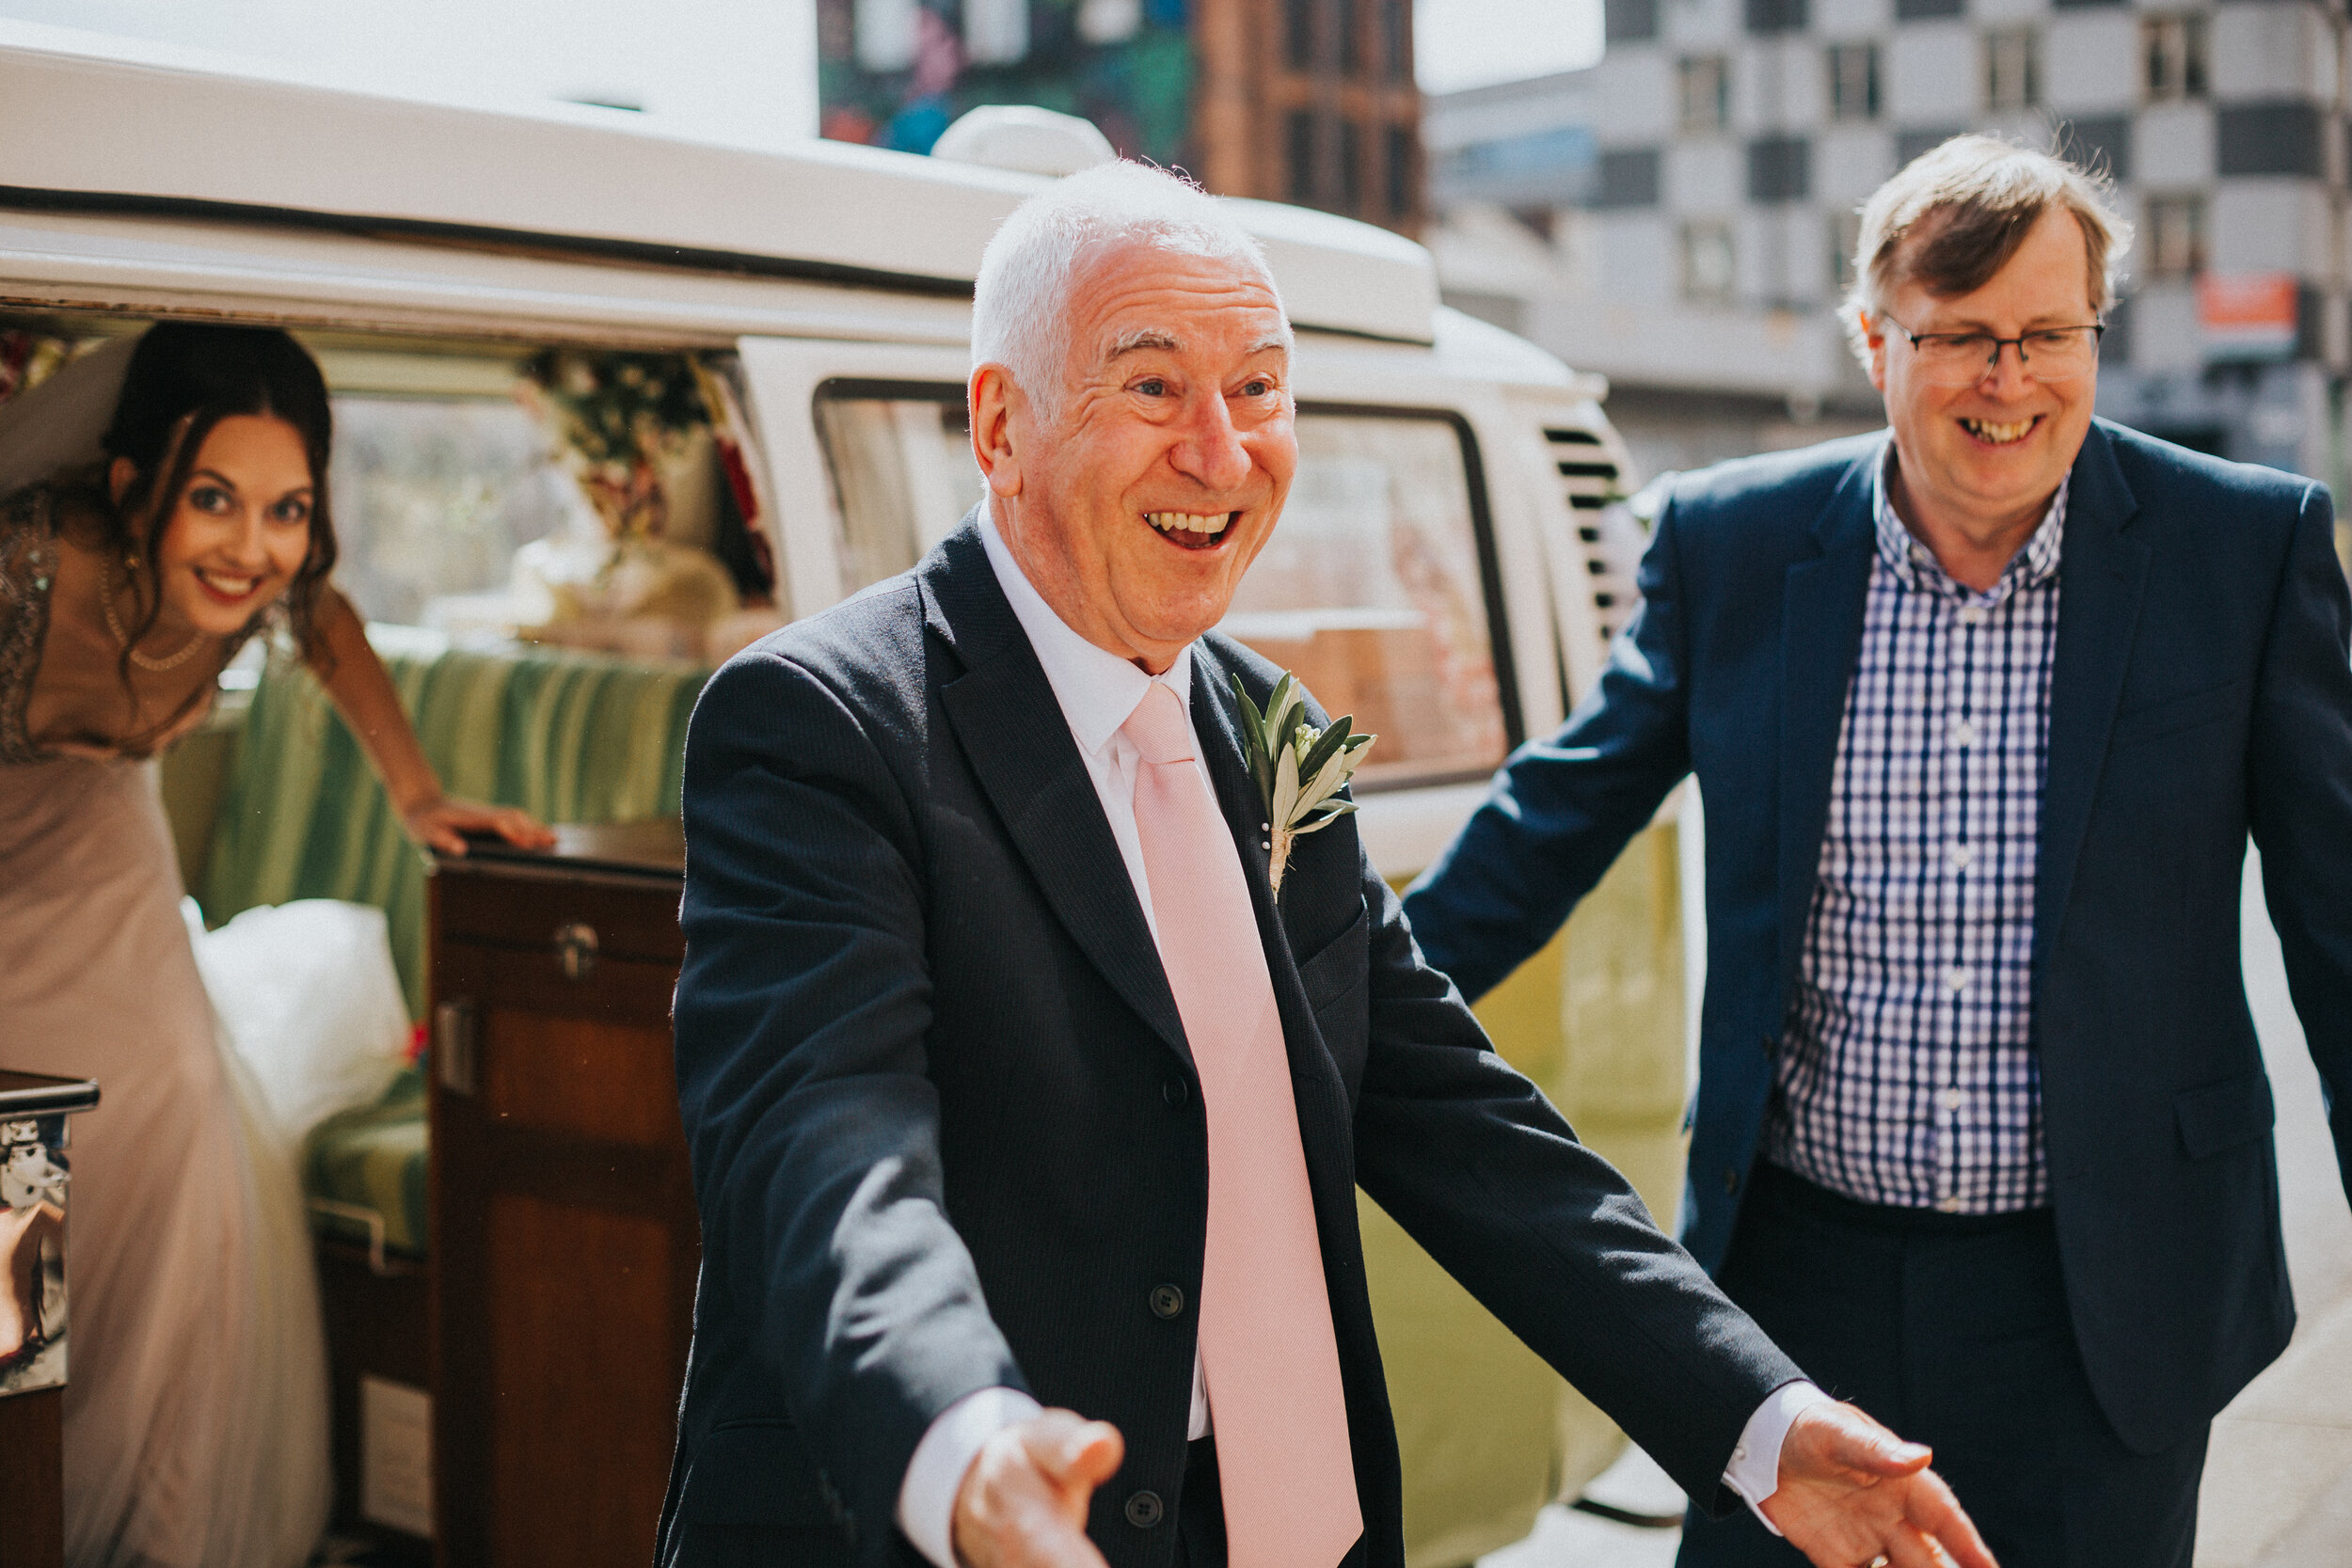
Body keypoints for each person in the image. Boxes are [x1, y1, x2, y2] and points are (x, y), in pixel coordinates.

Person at [660, 162, 1994, 1568]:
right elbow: (824, 1152)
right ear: (1003, 424)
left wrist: (1760, 1420)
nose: (1224, 454)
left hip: (1283, 1519)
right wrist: (966, 1442)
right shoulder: (820, 726)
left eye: (1260, 390)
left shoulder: (1267, 726)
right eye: (1156, 388)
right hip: (957, 1523)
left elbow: (1459, 1120)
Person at [1400, 136, 2352, 1568]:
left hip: (2106, 1285)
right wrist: (1328, 1019)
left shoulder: (2243, 549)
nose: (2007, 379)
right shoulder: (1733, 545)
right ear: (1872, 338)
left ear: (2094, 330)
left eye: (2045, 335)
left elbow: (2338, 925)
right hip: (1793, 1287)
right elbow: (1554, 818)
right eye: (1958, 337)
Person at [0, 322, 550, 1568]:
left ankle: (162, 1526)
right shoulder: (24, 571)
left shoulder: (274, 575)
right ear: (132, 488)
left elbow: (331, 626)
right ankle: (29, 1502)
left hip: (101, 847)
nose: (255, 546)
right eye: (213, 501)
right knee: (16, 1180)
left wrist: (418, 800)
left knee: (180, 1108)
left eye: (288, 508)